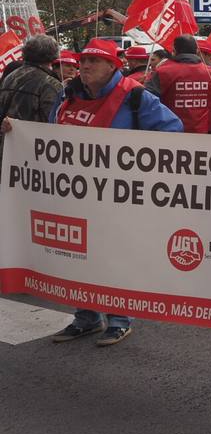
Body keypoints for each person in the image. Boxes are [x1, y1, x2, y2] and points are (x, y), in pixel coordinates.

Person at [42, 38, 183, 346]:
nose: (85, 66)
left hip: (118, 197)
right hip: (75, 194)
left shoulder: (134, 96)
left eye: (93, 61)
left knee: (116, 258)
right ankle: (87, 316)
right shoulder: (68, 94)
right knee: (78, 256)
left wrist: (132, 159)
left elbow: (173, 130)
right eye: (83, 61)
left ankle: (119, 319)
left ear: (112, 66)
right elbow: (48, 133)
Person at [143, 34, 211, 135]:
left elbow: (145, 99)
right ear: (197, 51)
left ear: (174, 51)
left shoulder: (162, 72)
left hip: (169, 133)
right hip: (200, 135)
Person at [0, 34, 63, 171]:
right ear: (53, 55)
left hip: (6, 149)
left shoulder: (9, 77)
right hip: (32, 157)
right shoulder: (50, 83)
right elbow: (54, 124)